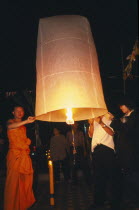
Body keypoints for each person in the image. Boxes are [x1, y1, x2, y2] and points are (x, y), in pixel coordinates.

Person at [4, 106, 36, 210]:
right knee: (13, 184)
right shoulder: (10, 122)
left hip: (23, 156)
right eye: (17, 111)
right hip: (15, 156)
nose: (20, 112)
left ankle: (22, 206)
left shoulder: (24, 127)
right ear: (13, 112)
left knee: (25, 183)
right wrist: (27, 121)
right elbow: (11, 127)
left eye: (22, 110)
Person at [110, 98, 139, 208]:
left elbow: (127, 130)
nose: (121, 108)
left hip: (131, 153)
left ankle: (135, 201)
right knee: (128, 177)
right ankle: (131, 200)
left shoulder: (135, 116)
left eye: (122, 105)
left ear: (128, 105)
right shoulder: (126, 117)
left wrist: (113, 119)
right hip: (125, 153)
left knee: (133, 177)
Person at [88, 113, 118, 209]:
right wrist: (92, 123)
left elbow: (112, 133)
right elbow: (90, 135)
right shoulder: (94, 120)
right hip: (96, 150)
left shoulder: (109, 117)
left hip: (107, 149)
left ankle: (113, 202)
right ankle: (98, 202)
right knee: (98, 177)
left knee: (110, 177)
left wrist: (101, 122)